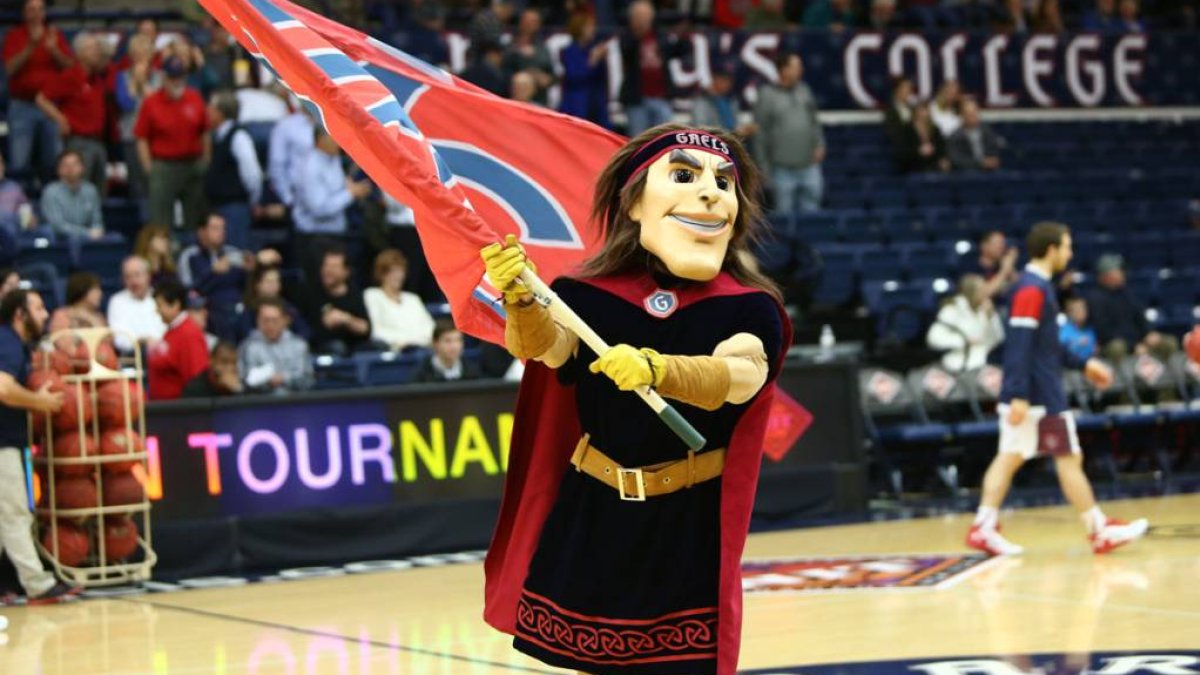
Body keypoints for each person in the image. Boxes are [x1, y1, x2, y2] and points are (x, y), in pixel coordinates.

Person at [483, 124, 789, 675]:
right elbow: (547, 351)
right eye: (684, 175)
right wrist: (522, 300)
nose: (710, 192)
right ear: (634, 202)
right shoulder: (582, 296)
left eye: (725, 182)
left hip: (686, 520)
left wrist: (657, 369)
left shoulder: (749, 307)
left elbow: (742, 374)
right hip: (592, 510)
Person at [966, 222, 1147, 557]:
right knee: (1067, 458)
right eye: (1066, 246)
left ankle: (984, 526)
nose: (1070, 252)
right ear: (1051, 250)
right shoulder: (1031, 290)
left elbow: (1044, 344)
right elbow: (1018, 345)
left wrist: (1084, 364)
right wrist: (1018, 393)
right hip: (1038, 396)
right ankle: (1099, 529)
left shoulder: (1035, 288)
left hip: (1031, 392)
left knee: (1010, 457)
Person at [0, 289, 80, 604]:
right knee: (16, 514)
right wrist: (40, 402)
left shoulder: (12, 342)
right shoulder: (6, 340)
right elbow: (3, 387)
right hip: (2, 443)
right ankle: (38, 584)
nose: (45, 314)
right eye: (38, 307)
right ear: (19, 314)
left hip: (7, 441)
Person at [2, 0, 73, 186]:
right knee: (19, 162)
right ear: (24, 13)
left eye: (39, 9)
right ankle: (19, 206)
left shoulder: (54, 35)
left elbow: (70, 68)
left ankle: (53, 204)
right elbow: (9, 70)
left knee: (54, 161)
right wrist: (30, 47)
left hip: (50, 107)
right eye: (31, 9)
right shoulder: (15, 36)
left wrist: (54, 50)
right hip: (21, 105)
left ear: (44, 13)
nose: (35, 13)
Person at [135, 55, 210, 230]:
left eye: (180, 77)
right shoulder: (151, 102)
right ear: (163, 77)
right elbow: (142, 138)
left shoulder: (194, 98)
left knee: (195, 215)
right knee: (160, 219)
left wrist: (206, 160)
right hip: (164, 166)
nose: (176, 82)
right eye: (172, 77)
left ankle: (191, 253)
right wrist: (149, 168)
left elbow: (204, 132)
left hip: (192, 164)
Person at [35, 30, 111, 194]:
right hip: (79, 142)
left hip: (99, 142)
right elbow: (41, 99)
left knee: (99, 193)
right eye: (92, 48)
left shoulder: (97, 78)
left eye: (97, 48)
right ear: (80, 53)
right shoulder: (71, 76)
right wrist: (60, 119)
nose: (97, 52)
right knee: (79, 192)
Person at [291, 128, 372, 279]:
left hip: (335, 235)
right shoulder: (310, 167)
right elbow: (318, 209)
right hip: (314, 238)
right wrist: (351, 193)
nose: (339, 142)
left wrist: (350, 188)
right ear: (320, 140)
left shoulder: (333, 159)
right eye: (334, 137)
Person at [754, 52, 826, 213]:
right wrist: (763, 167)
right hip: (781, 170)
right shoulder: (767, 95)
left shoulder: (805, 90)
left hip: (809, 166)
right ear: (784, 70)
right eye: (796, 67)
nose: (801, 70)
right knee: (785, 218)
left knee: (813, 216)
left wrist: (820, 144)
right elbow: (760, 134)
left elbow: (814, 121)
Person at [1087, 254, 1178, 364]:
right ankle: (1116, 380)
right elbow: (1104, 333)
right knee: (1117, 348)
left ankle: (1163, 380)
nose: (1123, 274)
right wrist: (1133, 345)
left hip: (1137, 340)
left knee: (1168, 342)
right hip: (1112, 344)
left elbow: (1140, 316)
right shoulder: (1095, 298)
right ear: (1106, 275)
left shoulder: (1126, 293)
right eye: (1119, 270)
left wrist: (1148, 333)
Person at [205, 90, 262, 251]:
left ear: (221, 112)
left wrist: (253, 199)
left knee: (235, 253)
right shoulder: (218, 136)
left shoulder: (238, 136)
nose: (208, 112)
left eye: (211, 109)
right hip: (220, 206)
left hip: (235, 207)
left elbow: (252, 172)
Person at [177, 213, 248, 342]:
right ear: (202, 232)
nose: (221, 232)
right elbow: (187, 290)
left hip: (236, 308)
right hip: (208, 311)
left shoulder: (233, 254)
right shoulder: (190, 256)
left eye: (223, 228)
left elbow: (247, 284)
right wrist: (212, 272)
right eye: (215, 228)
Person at [114, 34, 163, 218]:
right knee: (137, 186)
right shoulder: (122, 77)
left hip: (156, 139)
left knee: (155, 184)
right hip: (131, 137)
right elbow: (125, 104)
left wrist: (143, 84)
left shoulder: (160, 77)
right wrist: (135, 82)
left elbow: (158, 106)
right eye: (137, 55)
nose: (141, 59)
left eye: (145, 54)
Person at [617, 1, 677, 136]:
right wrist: (638, 33)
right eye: (638, 16)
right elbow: (626, 50)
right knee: (637, 141)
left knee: (665, 138)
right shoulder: (627, 37)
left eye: (645, 16)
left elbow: (676, 51)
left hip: (661, 96)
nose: (642, 20)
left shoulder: (660, 35)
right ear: (632, 18)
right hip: (637, 100)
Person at [147, 280, 211, 400]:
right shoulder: (172, 331)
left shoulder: (189, 334)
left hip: (178, 414)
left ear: (175, 305)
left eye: (160, 305)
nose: (156, 311)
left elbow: (196, 380)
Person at [926, 274, 1004, 371]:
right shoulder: (952, 309)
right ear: (971, 292)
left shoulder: (985, 310)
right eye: (981, 290)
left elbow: (997, 339)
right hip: (957, 364)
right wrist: (964, 341)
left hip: (984, 363)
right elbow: (933, 338)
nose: (985, 293)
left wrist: (991, 317)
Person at [303, 246, 373, 355]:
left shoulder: (354, 293)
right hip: (325, 347)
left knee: (379, 346)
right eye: (326, 265)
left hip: (355, 345)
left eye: (334, 266)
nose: (328, 270)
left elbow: (365, 328)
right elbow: (311, 333)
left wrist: (346, 319)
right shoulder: (312, 293)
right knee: (338, 347)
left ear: (346, 272)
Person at [364, 249, 435, 351]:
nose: (398, 275)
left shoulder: (413, 299)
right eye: (393, 271)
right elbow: (376, 331)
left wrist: (413, 342)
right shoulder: (372, 296)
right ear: (382, 274)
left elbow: (430, 329)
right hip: (392, 351)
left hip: (420, 350)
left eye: (400, 271)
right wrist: (405, 342)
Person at [238, 299, 313, 394]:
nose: (270, 325)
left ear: (285, 320)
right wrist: (266, 382)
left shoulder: (299, 345)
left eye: (274, 320)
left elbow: (308, 380)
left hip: (295, 402)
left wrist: (284, 379)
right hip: (259, 404)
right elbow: (243, 381)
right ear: (257, 321)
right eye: (265, 320)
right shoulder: (247, 347)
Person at [558, 12, 610, 129]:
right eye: (588, 26)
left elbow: (603, 80)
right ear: (579, 29)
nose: (592, 29)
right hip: (576, 106)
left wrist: (603, 60)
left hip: (596, 105)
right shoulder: (568, 52)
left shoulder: (594, 49)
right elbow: (573, 78)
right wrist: (592, 61)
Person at [107, 256, 167, 354]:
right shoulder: (117, 301)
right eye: (128, 277)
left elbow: (168, 329)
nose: (133, 281)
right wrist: (141, 342)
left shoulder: (160, 298)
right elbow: (119, 338)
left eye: (137, 275)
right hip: (132, 357)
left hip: (163, 353)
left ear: (148, 276)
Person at [40, 150, 104, 240]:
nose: (70, 168)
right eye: (66, 165)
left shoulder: (91, 190)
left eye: (75, 164)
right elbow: (57, 226)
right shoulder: (51, 191)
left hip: (90, 237)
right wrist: (86, 233)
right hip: (62, 239)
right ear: (59, 169)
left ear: (82, 167)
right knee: (73, 240)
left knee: (115, 238)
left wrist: (97, 230)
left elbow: (97, 221)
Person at [501, 8, 555, 106]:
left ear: (539, 25)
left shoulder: (543, 47)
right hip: (515, 101)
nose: (529, 24)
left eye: (533, 21)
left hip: (539, 100)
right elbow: (503, 72)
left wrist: (547, 79)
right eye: (526, 21)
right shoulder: (510, 46)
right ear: (521, 22)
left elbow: (551, 74)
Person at [239, 265, 308, 341]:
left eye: (277, 281)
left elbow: (305, 332)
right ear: (257, 285)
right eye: (269, 281)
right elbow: (244, 334)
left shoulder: (287, 307)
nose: (274, 285)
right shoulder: (249, 309)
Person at [267, 104, 314, 209]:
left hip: (332, 199)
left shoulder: (332, 124)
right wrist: (288, 199)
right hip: (298, 197)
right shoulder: (286, 126)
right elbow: (277, 164)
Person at [690, 62, 754, 137]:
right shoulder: (702, 102)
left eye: (730, 79)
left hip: (731, 142)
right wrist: (734, 134)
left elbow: (734, 126)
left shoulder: (732, 100)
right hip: (711, 144)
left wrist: (741, 131)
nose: (728, 83)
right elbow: (701, 131)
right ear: (714, 78)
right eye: (724, 79)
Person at [413, 319, 481, 383]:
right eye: (448, 341)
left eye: (458, 340)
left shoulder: (473, 372)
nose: (454, 346)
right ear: (435, 344)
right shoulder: (420, 376)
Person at [948, 98, 1003, 172]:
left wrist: (993, 160)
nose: (973, 117)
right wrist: (981, 163)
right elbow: (957, 160)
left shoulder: (987, 132)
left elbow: (994, 151)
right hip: (966, 176)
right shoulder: (955, 137)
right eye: (969, 114)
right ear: (962, 116)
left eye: (975, 113)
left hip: (989, 174)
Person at [962, 230, 1019, 300]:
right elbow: (982, 295)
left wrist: (1010, 267)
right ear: (984, 246)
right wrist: (1004, 270)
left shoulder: (1003, 266)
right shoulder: (970, 266)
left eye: (1002, 244)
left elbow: (1021, 288)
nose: (1001, 247)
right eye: (997, 244)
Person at [897, 103, 950, 173]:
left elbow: (941, 148)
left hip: (934, 165)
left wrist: (943, 159)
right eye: (920, 110)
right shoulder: (907, 130)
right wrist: (919, 152)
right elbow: (903, 154)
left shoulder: (935, 129)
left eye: (925, 110)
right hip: (914, 167)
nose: (923, 114)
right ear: (915, 113)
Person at [0, 154, 36, 234]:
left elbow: (25, 211)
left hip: (11, 234)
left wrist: (30, 218)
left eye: (1, 162)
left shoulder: (14, 188)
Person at [1059, 296, 1097, 364]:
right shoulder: (1064, 332)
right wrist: (1077, 345)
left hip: (1089, 365)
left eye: (1083, 309)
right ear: (1070, 313)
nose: (1081, 312)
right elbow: (1062, 354)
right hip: (1071, 368)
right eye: (1077, 310)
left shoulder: (1090, 330)